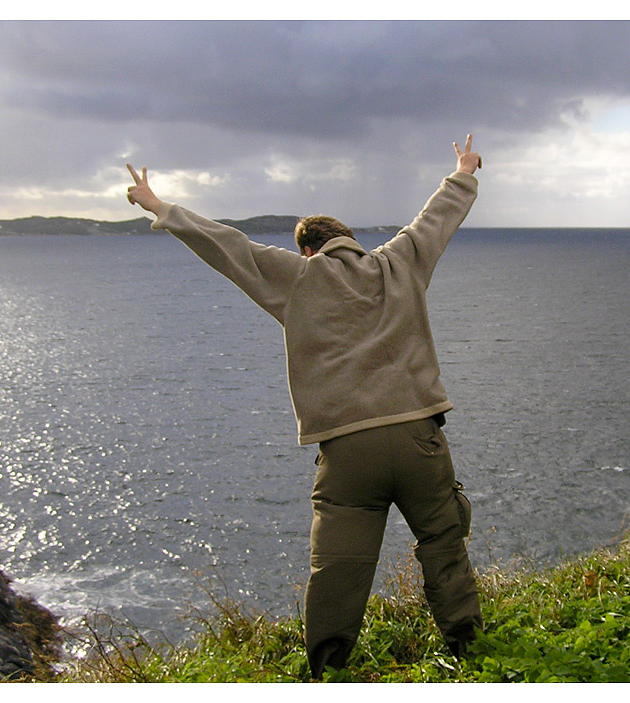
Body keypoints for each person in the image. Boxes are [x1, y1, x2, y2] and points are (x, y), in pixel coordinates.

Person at [125, 135, 484, 677]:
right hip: (419, 438)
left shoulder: (297, 277)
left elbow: (228, 246)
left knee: (338, 569)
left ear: (307, 250)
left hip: (347, 449)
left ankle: (327, 671)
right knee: (443, 547)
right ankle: (470, 653)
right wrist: (463, 171)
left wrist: (160, 207)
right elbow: (438, 217)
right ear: (350, 241)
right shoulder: (400, 262)